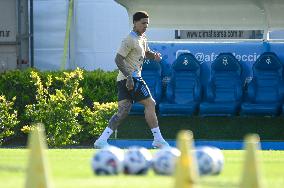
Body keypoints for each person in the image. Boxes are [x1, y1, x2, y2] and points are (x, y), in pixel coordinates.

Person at [94, 11, 169, 149]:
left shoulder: (143, 38)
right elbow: (118, 59)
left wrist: (154, 56)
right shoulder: (129, 39)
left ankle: (101, 140)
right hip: (131, 78)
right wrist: (129, 77)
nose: (145, 26)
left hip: (124, 80)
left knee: (123, 111)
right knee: (150, 104)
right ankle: (158, 139)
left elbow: (146, 53)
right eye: (143, 23)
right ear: (135, 23)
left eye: (147, 23)